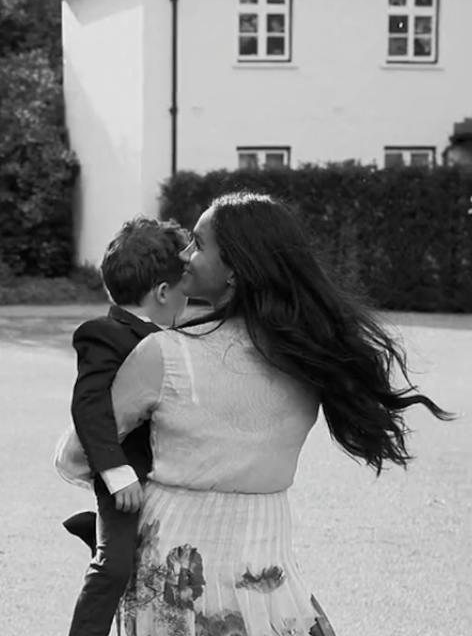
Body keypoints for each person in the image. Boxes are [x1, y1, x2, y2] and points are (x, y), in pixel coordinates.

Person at [55, 191, 453, 636]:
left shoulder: (164, 354)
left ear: (234, 269)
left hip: (175, 571)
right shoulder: (312, 356)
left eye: (199, 245)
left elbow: (75, 456)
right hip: (269, 569)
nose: (184, 256)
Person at [58, 217, 189, 636]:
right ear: (164, 292)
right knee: (114, 568)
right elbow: (90, 406)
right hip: (124, 483)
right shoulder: (105, 335)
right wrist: (115, 474)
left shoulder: (180, 340)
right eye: (184, 290)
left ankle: (93, 530)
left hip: (172, 477)